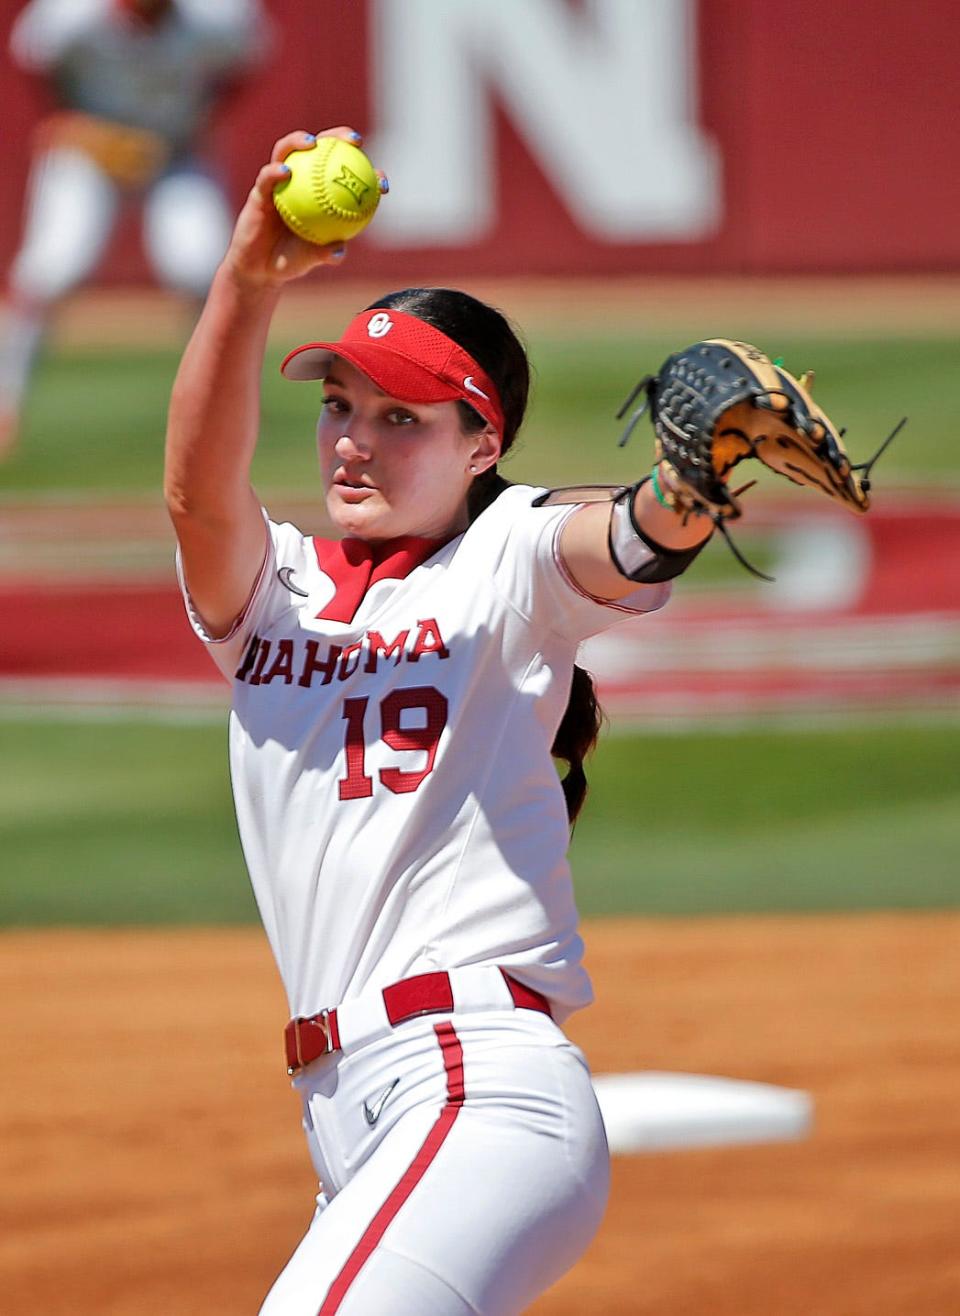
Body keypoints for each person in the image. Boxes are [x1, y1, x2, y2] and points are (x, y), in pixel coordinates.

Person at [164, 128, 717, 1316]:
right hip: (353, 1117)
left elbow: (618, 536)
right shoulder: (278, 595)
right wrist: (243, 283)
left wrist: (680, 492)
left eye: (404, 417)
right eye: (340, 403)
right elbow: (196, 495)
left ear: (485, 445)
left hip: (477, 1089)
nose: (354, 438)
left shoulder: (506, 558)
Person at [0, 0, 270, 457]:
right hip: (91, 149)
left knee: (202, 270)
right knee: (50, 269)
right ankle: (5, 400)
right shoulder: (70, 15)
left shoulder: (217, 15)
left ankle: (216, 407)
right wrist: (66, 119)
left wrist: (203, 118)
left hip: (174, 147)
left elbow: (245, 61)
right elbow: (32, 60)